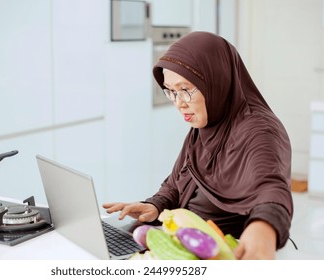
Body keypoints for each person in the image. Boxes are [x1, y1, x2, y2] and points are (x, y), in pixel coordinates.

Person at [103, 31, 293, 260]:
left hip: (223, 252)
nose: (179, 103)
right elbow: (177, 182)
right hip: (184, 242)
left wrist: (264, 227)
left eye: (185, 90)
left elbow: (271, 188)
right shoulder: (206, 126)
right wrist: (155, 205)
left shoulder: (259, 130)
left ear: (217, 79)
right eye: (171, 92)